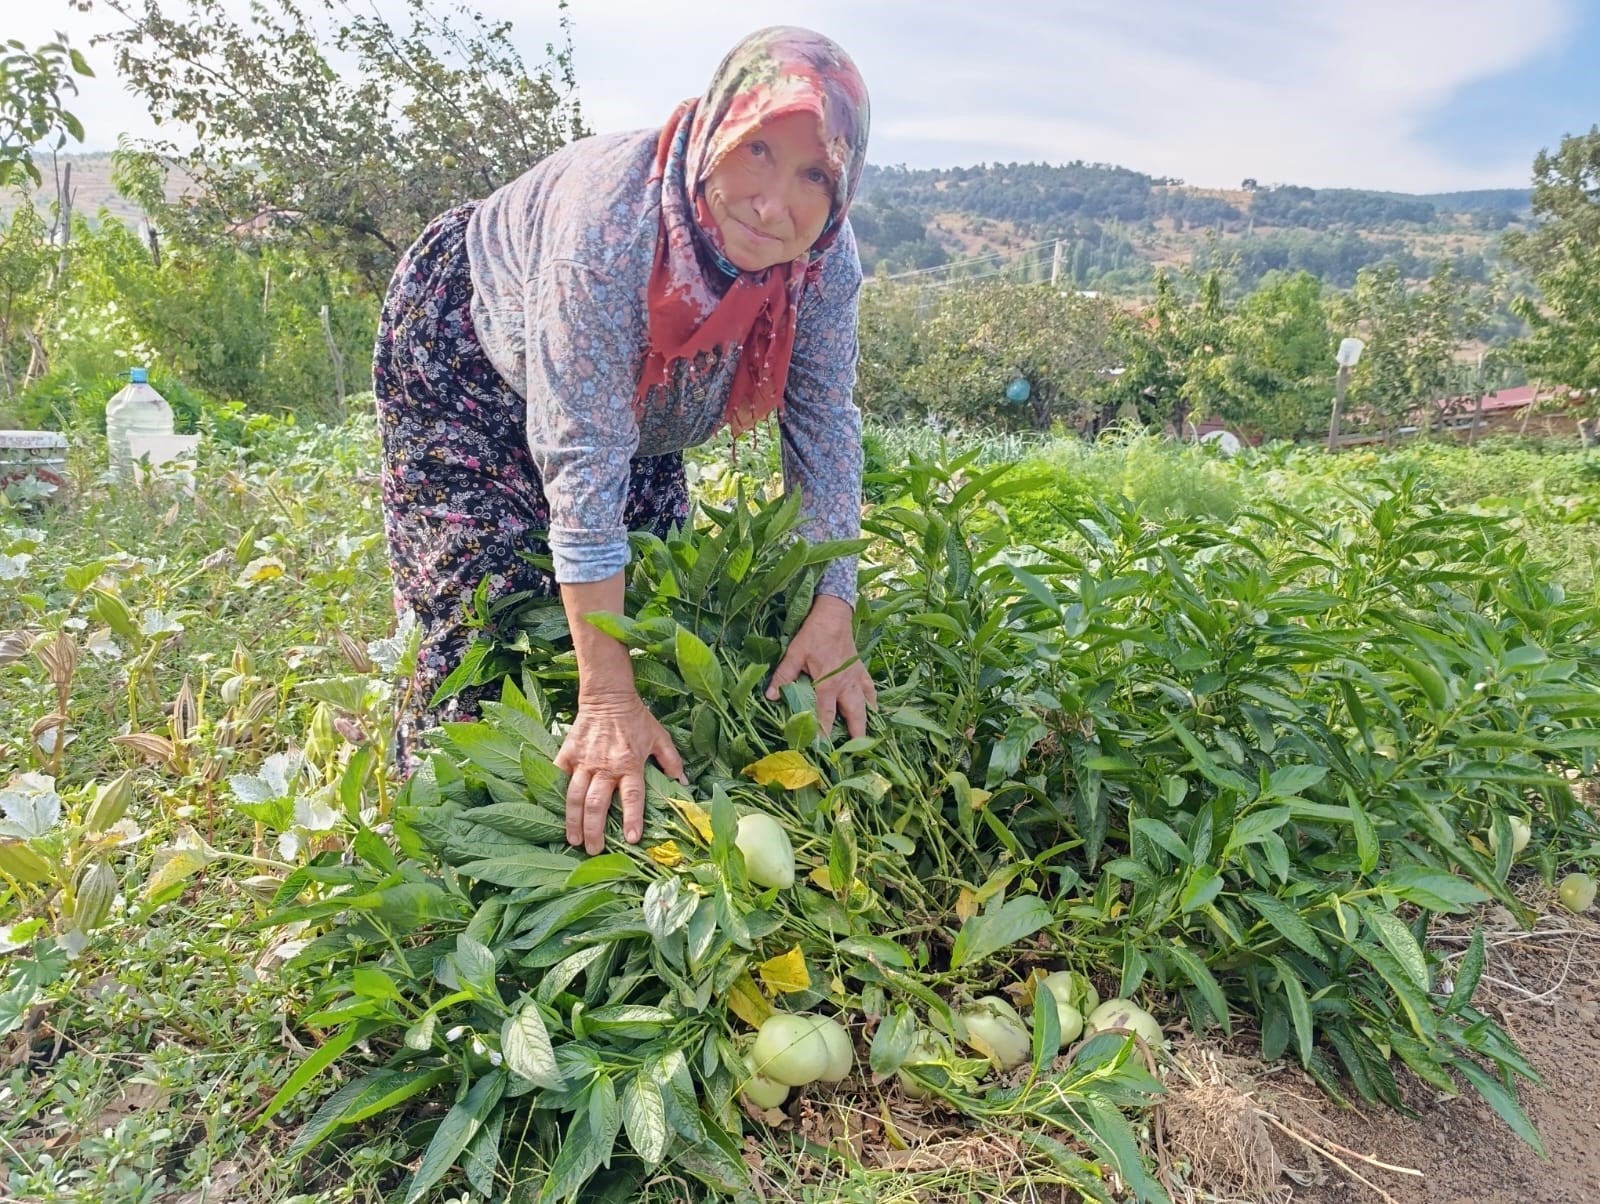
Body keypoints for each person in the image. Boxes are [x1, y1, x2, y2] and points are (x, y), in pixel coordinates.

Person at [372, 26, 876, 856]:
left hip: (636, 401)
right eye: (757, 150)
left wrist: (835, 608)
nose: (773, 201)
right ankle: (432, 842)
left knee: (643, 602)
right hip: (473, 349)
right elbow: (583, 455)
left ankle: (591, 811)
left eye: (814, 173)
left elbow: (824, 424)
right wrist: (607, 696)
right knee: (486, 611)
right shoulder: (610, 226)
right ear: (719, 126)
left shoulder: (821, 260)